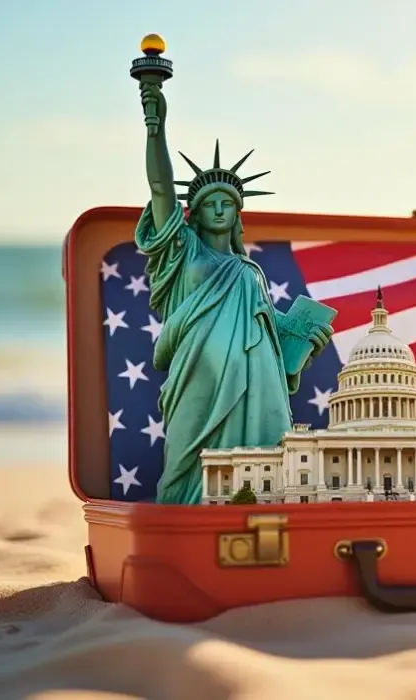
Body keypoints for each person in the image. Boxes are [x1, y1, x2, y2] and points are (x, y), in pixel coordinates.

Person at [133, 79, 333, 505]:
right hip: (198, 377)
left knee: (260, 470)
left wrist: (302, 349)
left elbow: (271, 339)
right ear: (195, 213)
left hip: (260, 384)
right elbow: (161, 190)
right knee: (185, 468)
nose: (220, 209)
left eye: (228, 203)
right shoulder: (184, 251)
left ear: (239, 214)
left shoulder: (251, 272)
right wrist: (155, 127)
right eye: (210, 203)